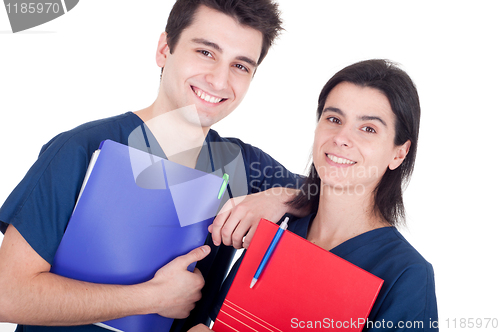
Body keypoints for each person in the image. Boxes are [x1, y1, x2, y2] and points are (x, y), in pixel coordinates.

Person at [0, 0, 306, 331]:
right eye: (206, 52)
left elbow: (345, 194)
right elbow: (8, 296)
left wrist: (280, 197)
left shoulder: (246, 167)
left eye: (241, 66)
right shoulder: (81, 149)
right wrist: (151, 298)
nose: (219, 80)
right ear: (164, 49)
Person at [209, 59, 438, 331]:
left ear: (399, 153)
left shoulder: (406, 275)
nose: (341, 137)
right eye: (334, 119)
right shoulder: (278, 232)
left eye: (368, 129)